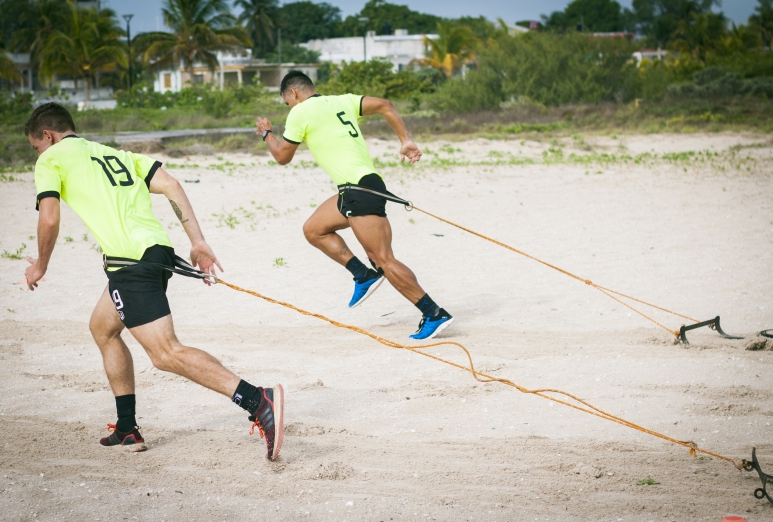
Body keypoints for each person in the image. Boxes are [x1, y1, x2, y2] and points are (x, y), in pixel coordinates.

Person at [23, 103, 283, 460]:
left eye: (36, 146)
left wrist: (40, 265)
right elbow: (172, 185)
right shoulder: (115, 154)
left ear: (47, 136)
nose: (37, 153)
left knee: (164, 353)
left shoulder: (50, 160)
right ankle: (127, 428)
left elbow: (49, 219)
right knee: (102, 328)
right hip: (155, 253)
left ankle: (257, 399)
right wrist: (198, 241)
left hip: (130, 263)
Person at [255, 71, 454, 340]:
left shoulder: (300, 112)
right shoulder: (343, 101)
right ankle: (362, 275)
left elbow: (281, 156)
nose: (288, 107)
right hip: (356, 187)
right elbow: (385, 104)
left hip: (359, 190)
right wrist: (405, 140)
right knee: (314, 229)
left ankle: (433, 313)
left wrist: (267, 133)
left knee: (383, 260)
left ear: (293, 93)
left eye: (286, 102)